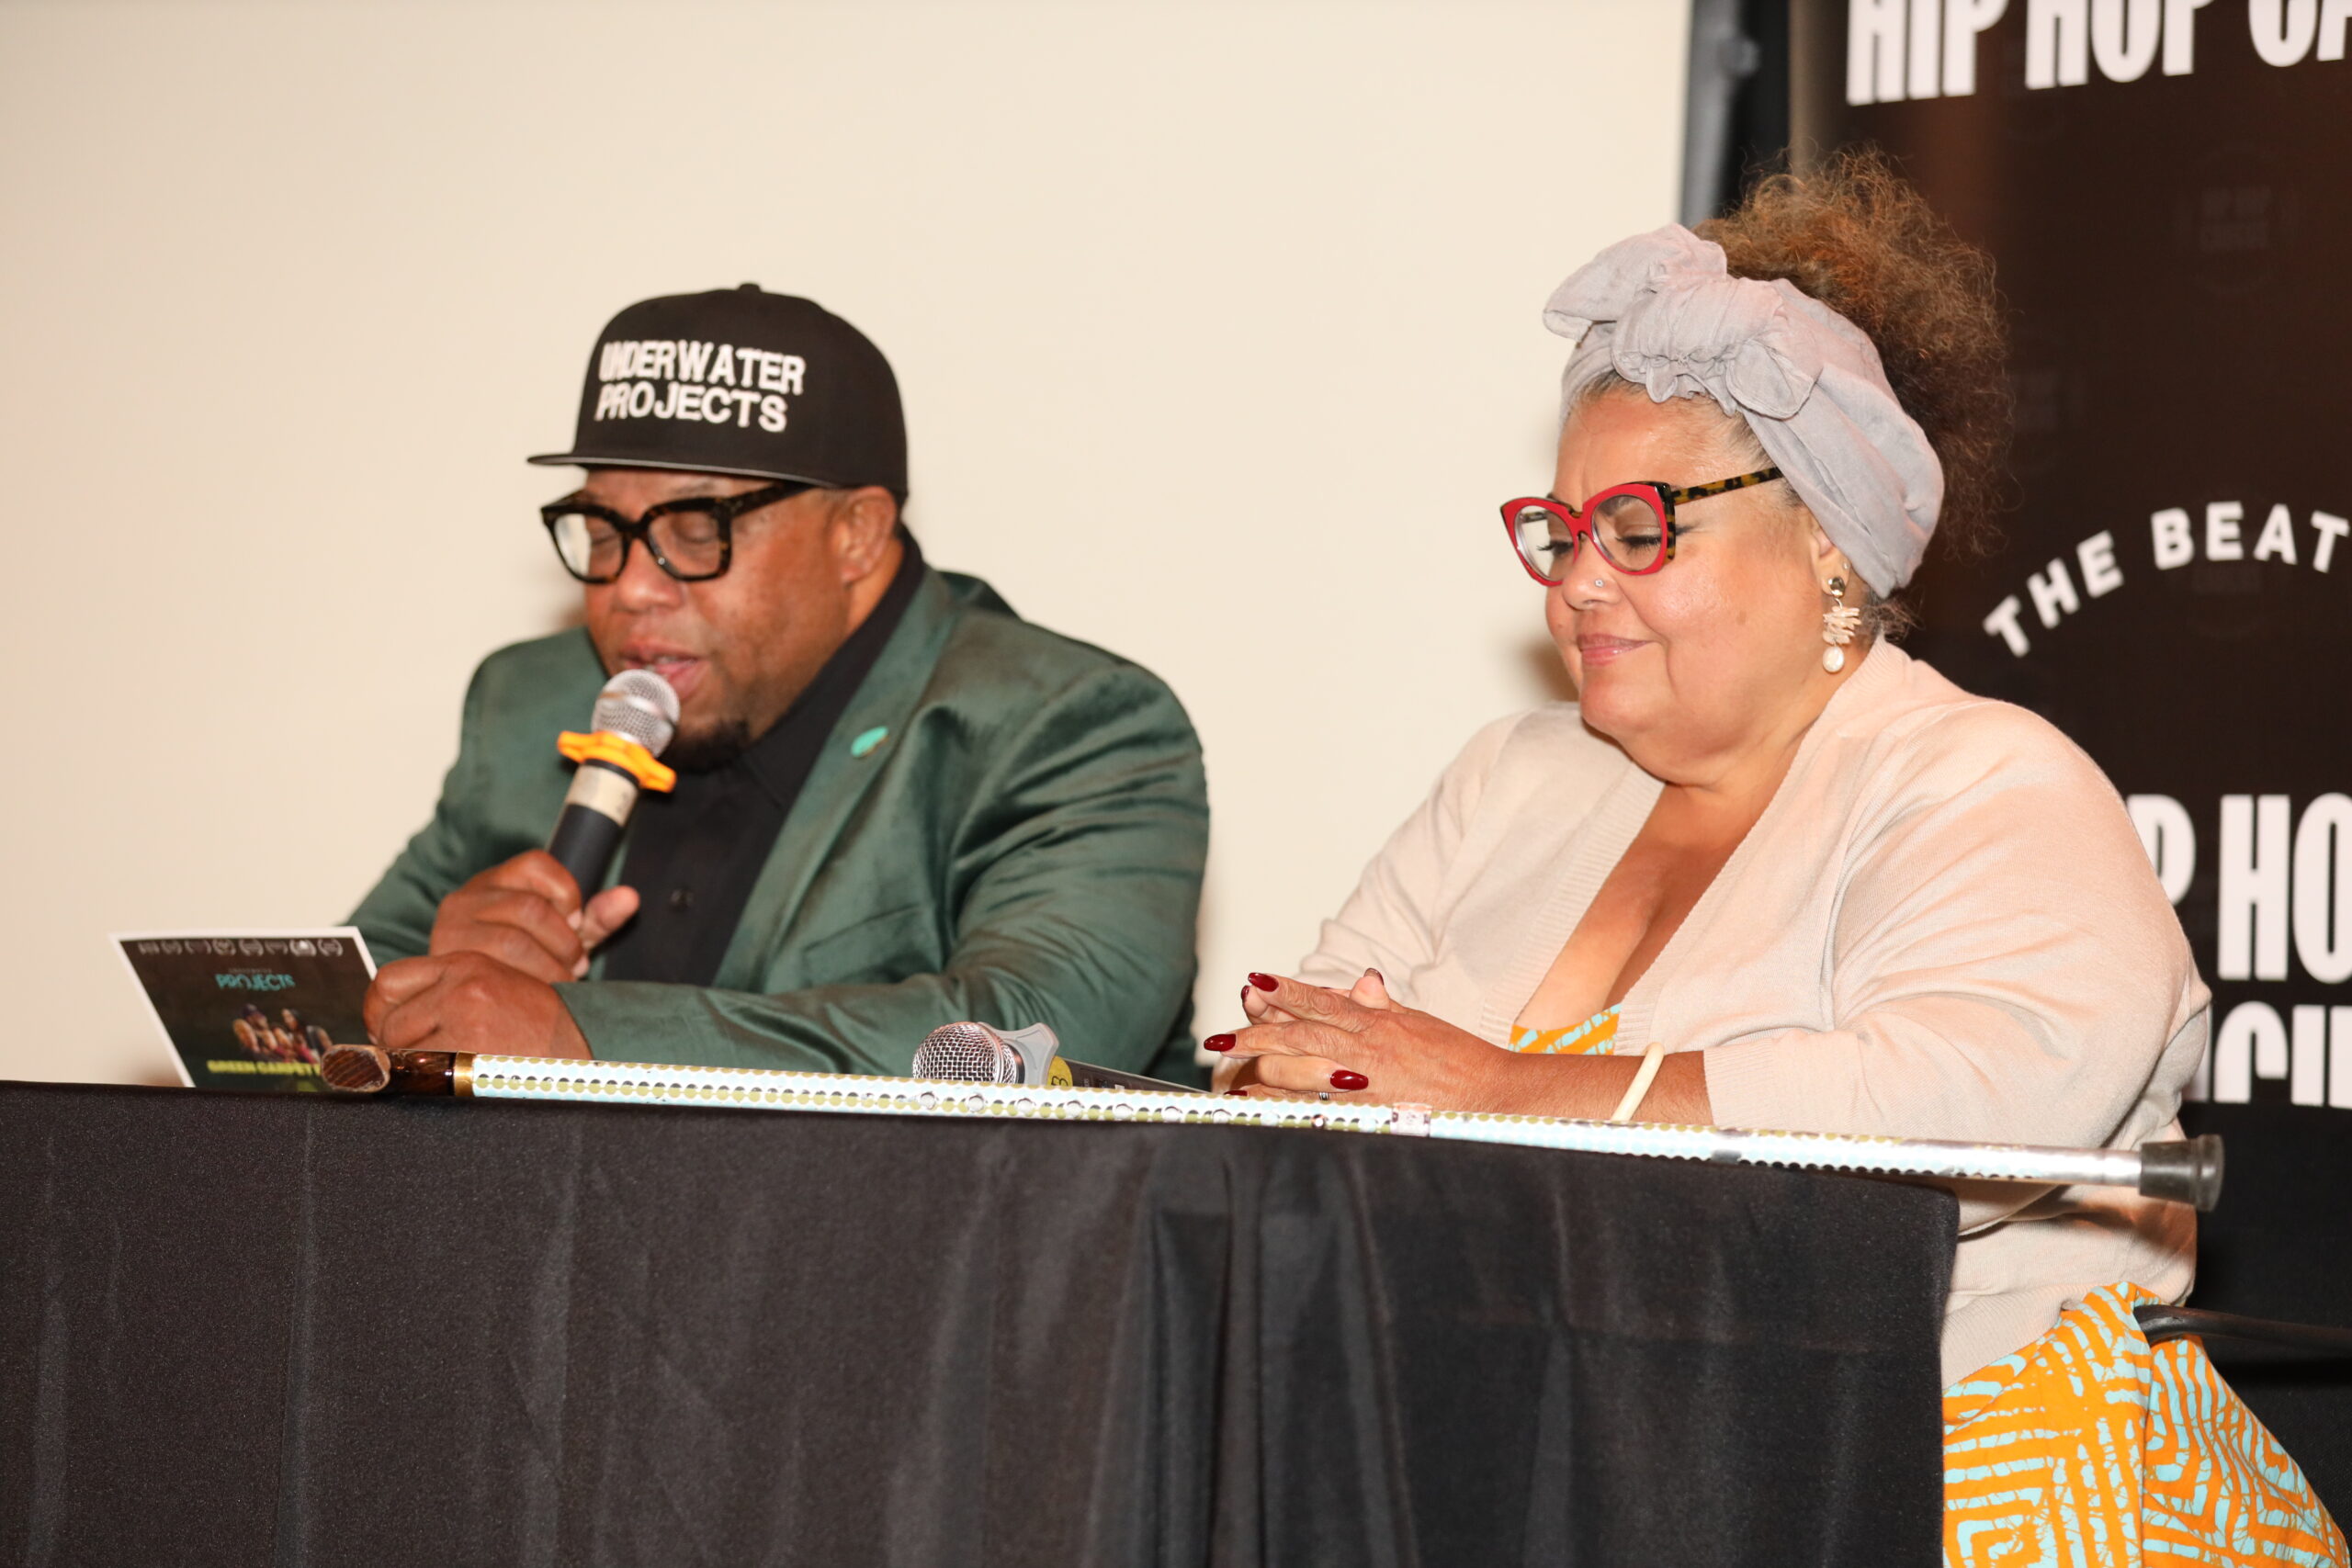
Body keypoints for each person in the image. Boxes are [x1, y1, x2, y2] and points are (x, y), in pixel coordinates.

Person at [1211, 156, 2344, 1562]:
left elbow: (1959, 1109)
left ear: (1826, 545)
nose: (1575, 578)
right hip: (1559, 1468)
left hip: (1955, 1487)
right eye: (1560, 530)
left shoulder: (1990, 783)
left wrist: (1506, 1089)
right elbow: (1291, 1059)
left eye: (1640, 526)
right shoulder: (1507, 781)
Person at [351, 286, 1207, 1081]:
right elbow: (313, 1003)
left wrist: (581, 1036)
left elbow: (1026, 1038)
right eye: (603, 529)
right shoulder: (528, 701)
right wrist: (423, 978)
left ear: (858, 534)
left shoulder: (1064, 728)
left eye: (695, 529)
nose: (631, 587)